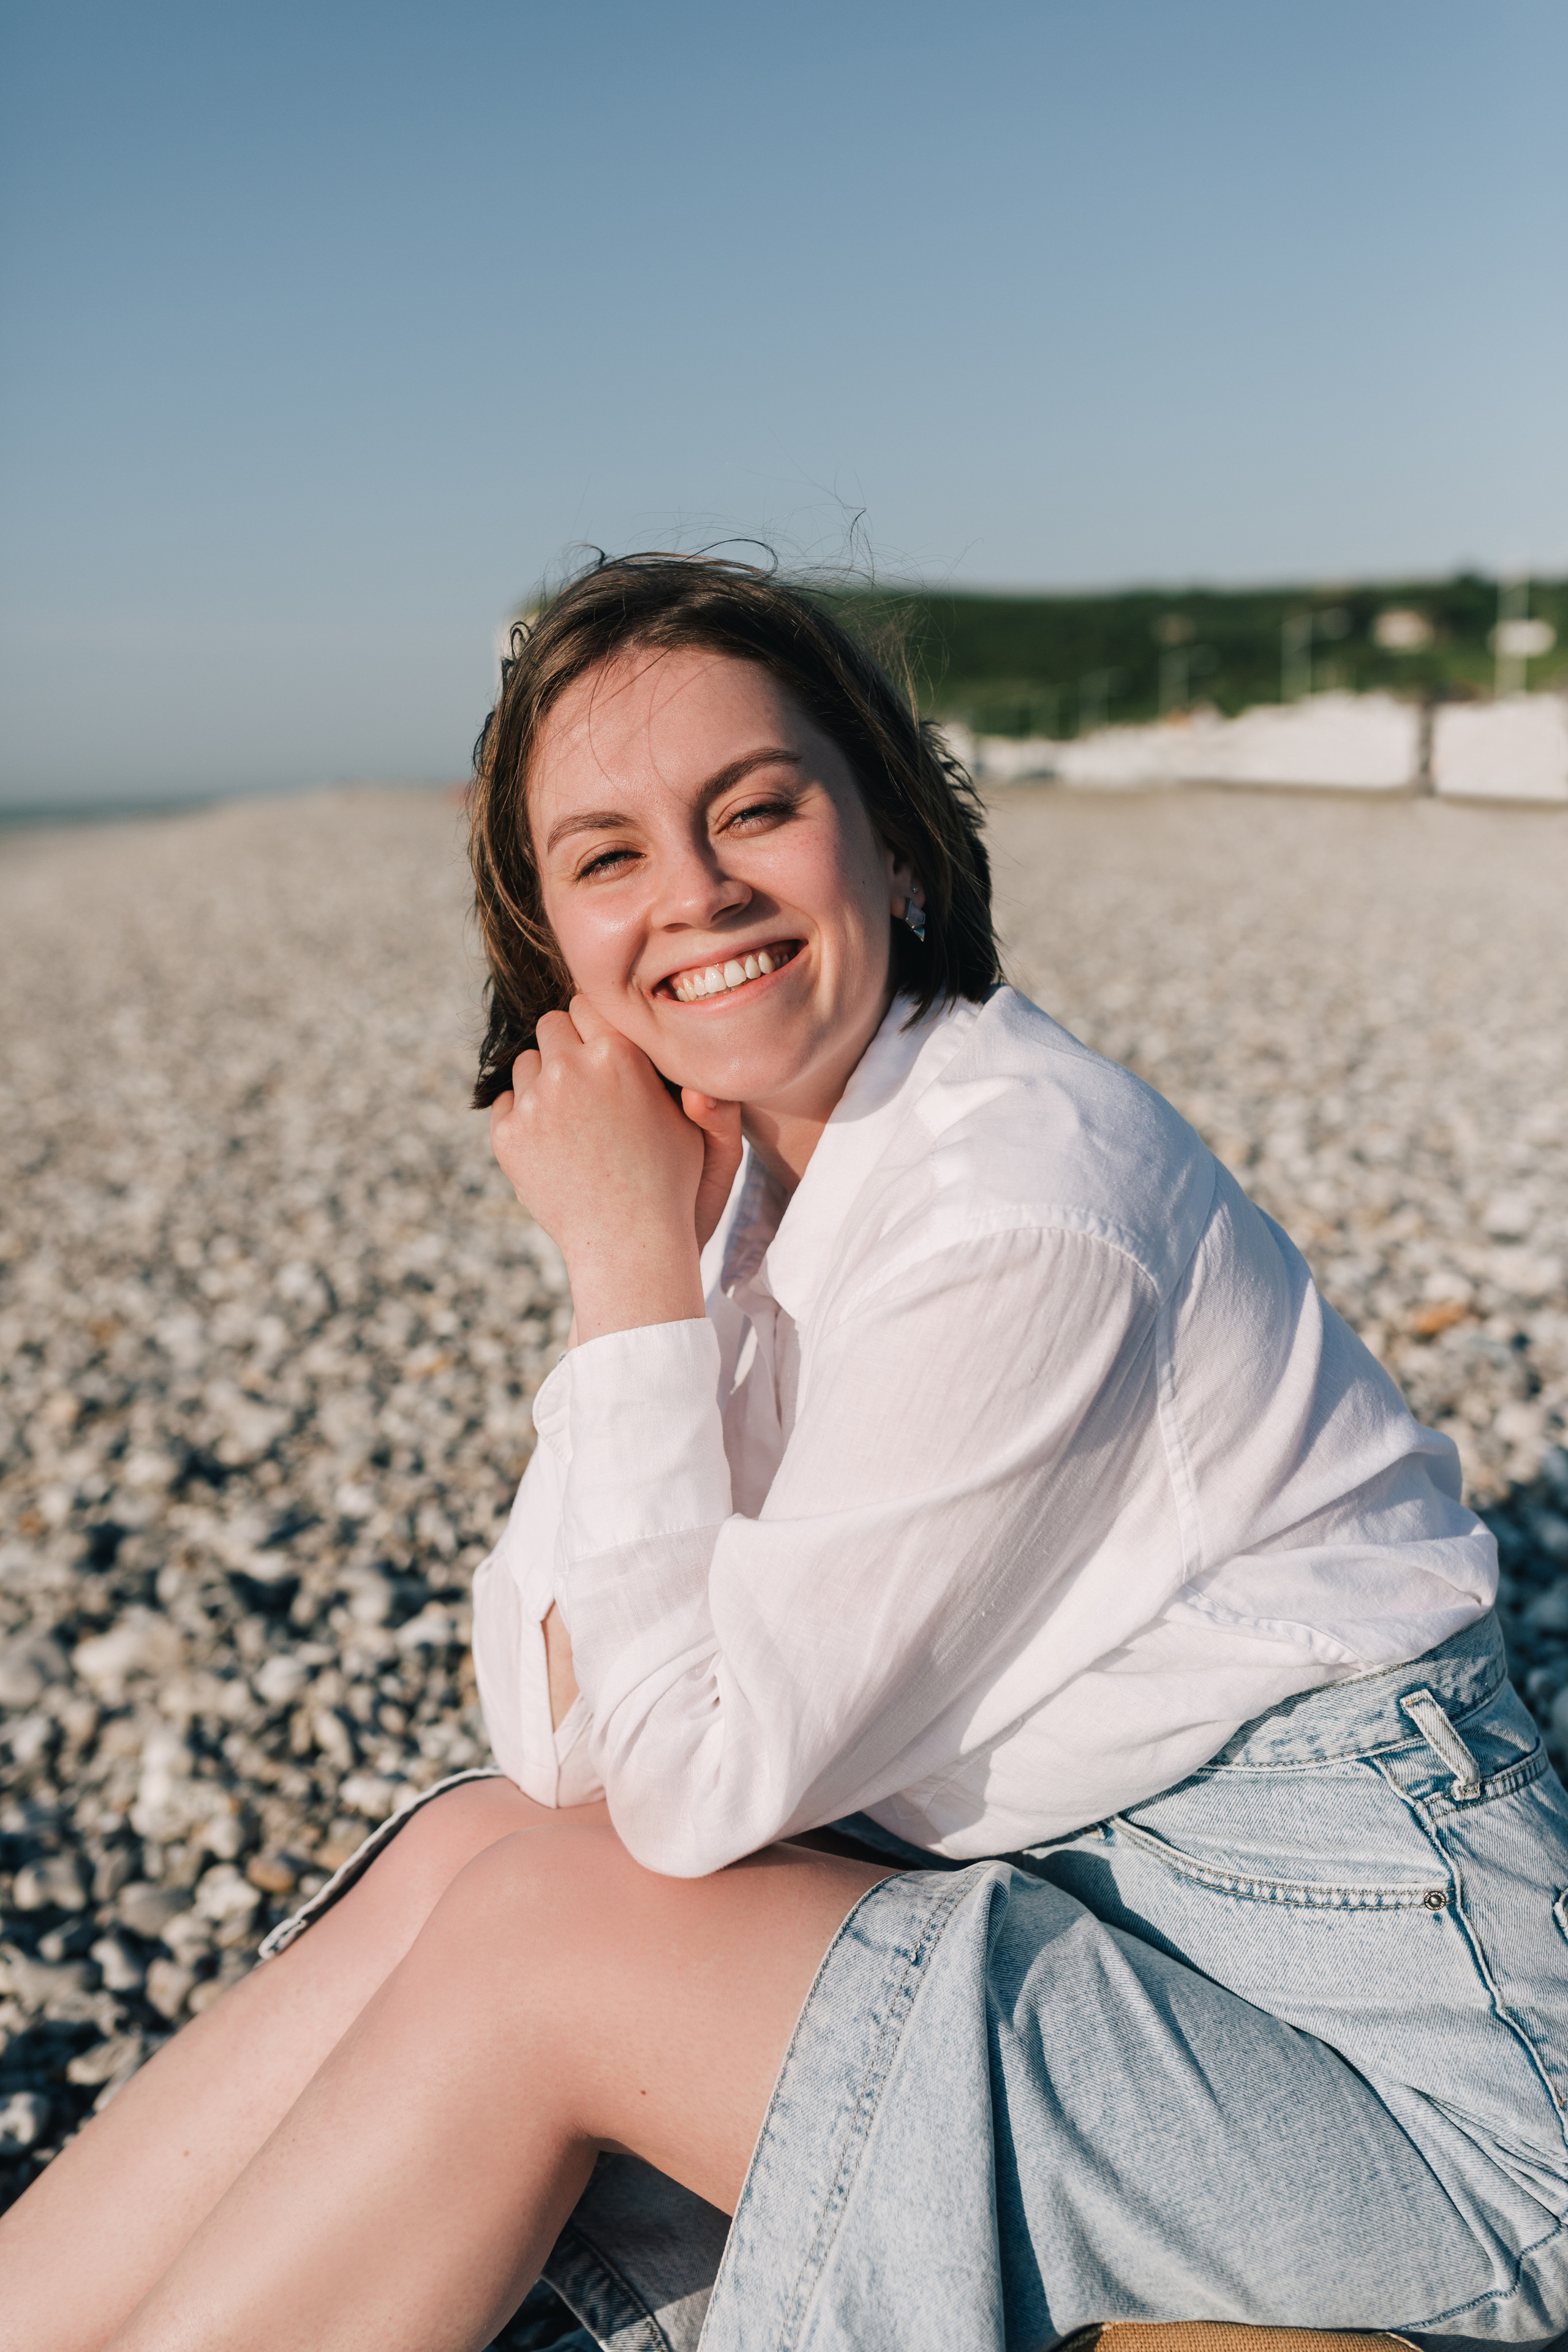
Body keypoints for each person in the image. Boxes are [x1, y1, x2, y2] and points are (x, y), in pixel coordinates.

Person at [4, 554, 1566, 2352]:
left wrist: (617, 1276)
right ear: (558, 957)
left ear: (894, 847)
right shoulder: (770, 1181)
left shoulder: (1015, 1212)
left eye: (756, 807)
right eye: (608, 857)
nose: (696, 894)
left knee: (547, 1939)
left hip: (1421, 2116)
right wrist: (650, 1264)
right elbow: (552, 1727)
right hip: (1161, 1975)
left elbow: (676, 1789)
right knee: (474, 1853)